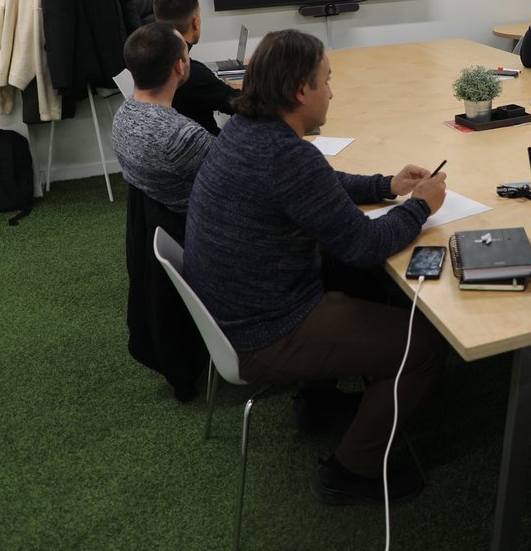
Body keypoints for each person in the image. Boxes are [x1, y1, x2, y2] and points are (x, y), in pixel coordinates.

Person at [184, 29, 449, 505]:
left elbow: (318, 183)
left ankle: (316, 401)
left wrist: (385, 184)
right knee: (425, 347)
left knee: (349, 276)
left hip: (236, 311)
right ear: (300, 91)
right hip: (265, 333)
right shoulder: (285, 155)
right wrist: (422, 206)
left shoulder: (247, 131)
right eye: (327, 81)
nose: (332, 92)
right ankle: (352, 471)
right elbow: (366, 245)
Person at [111, 22, 213, 212]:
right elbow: (240, 174)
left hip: (162, 222)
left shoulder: (122, 115)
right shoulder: (181, 136)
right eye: (186, 53)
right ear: (179, 67)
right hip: (203, 225)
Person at [153, 0, 236, 135]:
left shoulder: (149, 61)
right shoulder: (190, 72)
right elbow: (240, 104)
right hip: (210, 149)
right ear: (195, 23)